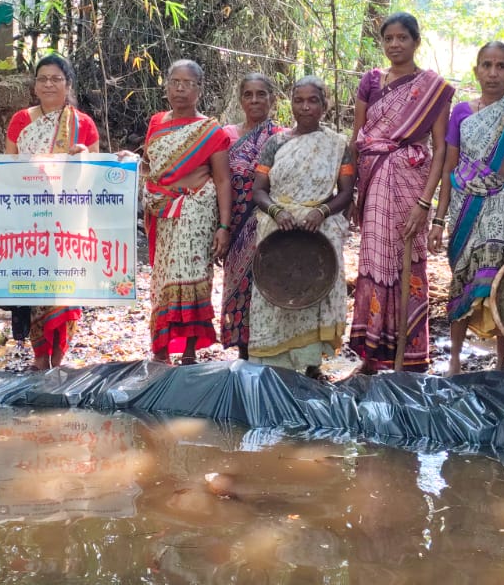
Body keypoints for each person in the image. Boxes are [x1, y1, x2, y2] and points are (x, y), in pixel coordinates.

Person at [429, 41, 504, 374]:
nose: (493, 73)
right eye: (486, 65)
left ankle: (501, 364)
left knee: (502, 282)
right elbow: (449, 170)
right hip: (467, 206)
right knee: (462, 277)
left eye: (500, 66)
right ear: (476, 70)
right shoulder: (461, 113)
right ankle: (454, 360)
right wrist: (438, 219)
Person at [348, 12, 454, 373]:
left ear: (416, 41)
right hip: (373, 179)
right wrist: (352, 190)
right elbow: (357, 137)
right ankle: (372, 354)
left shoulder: (432, 88)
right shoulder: (371, 82)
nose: (395, 45)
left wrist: (426, 204)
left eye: (402, 38)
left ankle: (408, 355)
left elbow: (440, 149)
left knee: (408, 263)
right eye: (388, 38)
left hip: (411, 183)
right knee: (375, 262)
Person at [248, 76, 356, 376]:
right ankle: (275, 365)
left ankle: (310, 366)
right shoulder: (276, 143)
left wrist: (321, 212)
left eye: (313, 101)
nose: (305, 107)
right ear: (290, 103)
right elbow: (258, 190)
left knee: (313, 292)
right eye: (299, 100)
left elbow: (346, 192)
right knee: (277, 293)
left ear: (325, 105)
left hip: (317, 232)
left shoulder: (337, 145)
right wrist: (277, 212)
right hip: (278, 232)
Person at [3, 53, 101, 368]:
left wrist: (83, 155)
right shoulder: (21, 121)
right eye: (43, 78)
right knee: (35, 286)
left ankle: (58, 358)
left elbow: (98, 173)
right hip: (29, 218)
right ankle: (40, 356)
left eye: (56, 78)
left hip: (69, 219)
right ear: (34, 85)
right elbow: (7, 169)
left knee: (66, 287)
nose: (49, 84)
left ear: (68, 84)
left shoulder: (83, 124)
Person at [142, 59, 232, 363]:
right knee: (163, 279)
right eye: (174, 82)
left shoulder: (210, 130)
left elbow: (222, 179)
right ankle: (162, 349)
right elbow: (150, 169)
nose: (180, 89)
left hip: (196, 212)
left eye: (188, 83)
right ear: (166, 85)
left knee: (193, 276)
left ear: (199, 89)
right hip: (163, 214)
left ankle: (190, 351)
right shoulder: (156, 123)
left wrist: (224, 226)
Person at [220, 73, 284, 359]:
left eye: (261, 94)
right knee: (239, 286)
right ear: (241, 99)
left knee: (269, 284)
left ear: (273, 99)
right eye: (249, 94)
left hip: (271, 224)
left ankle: (272, 348)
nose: (255, 100)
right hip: (235, 223)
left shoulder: (283, 138)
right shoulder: (227, 136)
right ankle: (243, 352)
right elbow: (217, 181)